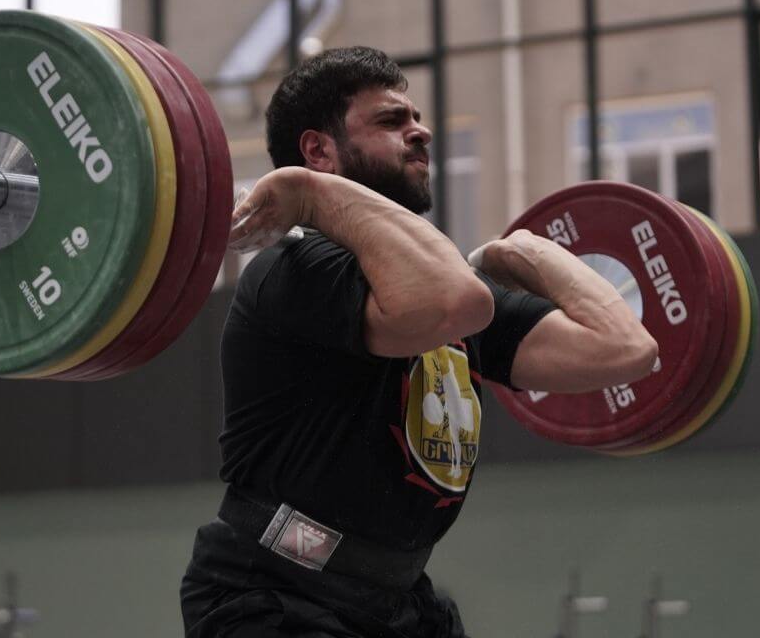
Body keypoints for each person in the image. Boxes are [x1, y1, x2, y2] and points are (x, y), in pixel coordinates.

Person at [180, 47, 658, 637]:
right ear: (317, 150)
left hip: (398, 606)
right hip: (276, 596)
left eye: (414, 118)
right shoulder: (295, 269)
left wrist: (532, 251)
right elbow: (457, 304)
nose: (420, 131)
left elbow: (625, 349)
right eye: (390, 121)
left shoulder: (443, 284)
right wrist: (309, 195)